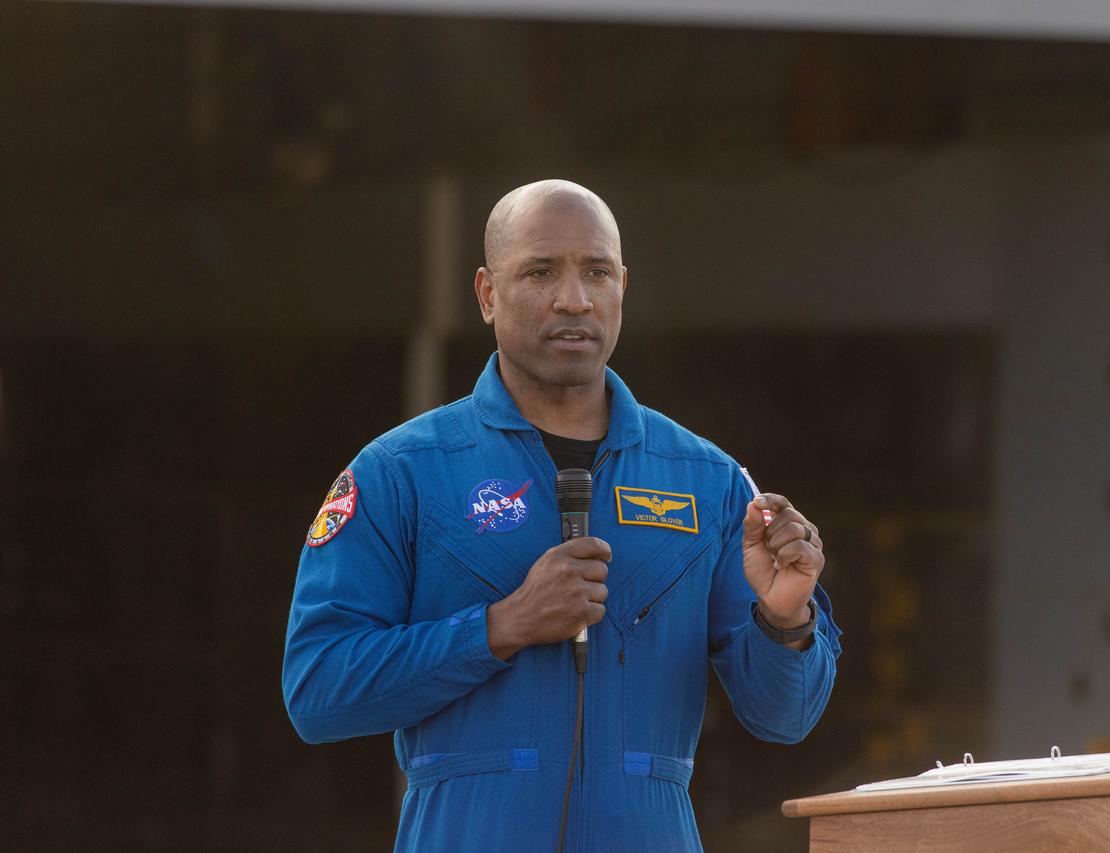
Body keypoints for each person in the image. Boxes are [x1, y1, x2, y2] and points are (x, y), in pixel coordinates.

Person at [282, 180, 841, 852]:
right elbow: (317, 689)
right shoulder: (401, 471)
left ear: (622, 289)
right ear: (488, 294)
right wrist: (501, 626)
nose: (573, 298)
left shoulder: (707, 479)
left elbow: (785, 718)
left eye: (596, 272)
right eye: (541, 270)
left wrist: (784, 620)